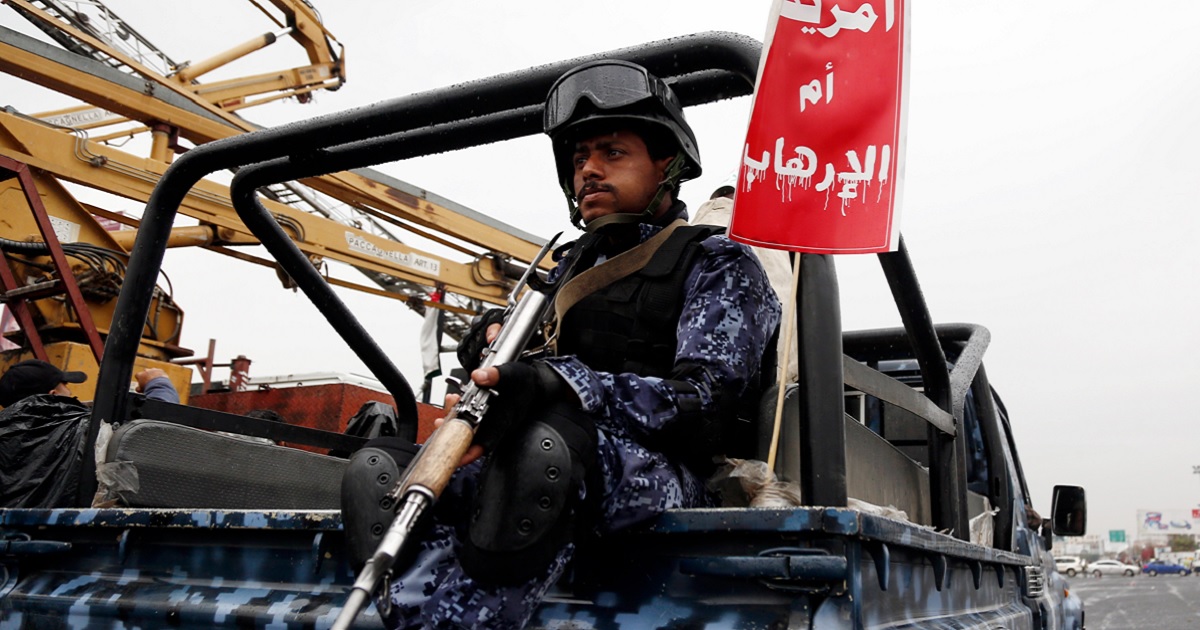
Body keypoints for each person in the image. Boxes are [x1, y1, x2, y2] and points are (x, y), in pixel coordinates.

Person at [342, 59, 781, 629]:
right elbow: (516, 361)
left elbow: (701, 402)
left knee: (537, 457)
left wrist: (561, 382)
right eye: (579, 159)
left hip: (666, 472)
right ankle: (391, 613)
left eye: (612, 153)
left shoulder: (717, 262)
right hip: (554, 452)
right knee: (376, 472)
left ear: (666, 164)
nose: (589, 171)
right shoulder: (566, 267)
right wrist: (487, 347)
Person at [0, 360, 180, 508]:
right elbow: (154, 431)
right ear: (54, 394)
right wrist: (159, 383)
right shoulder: (79, 428)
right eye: (66, 386)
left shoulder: (7, 434)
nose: (71, 393)